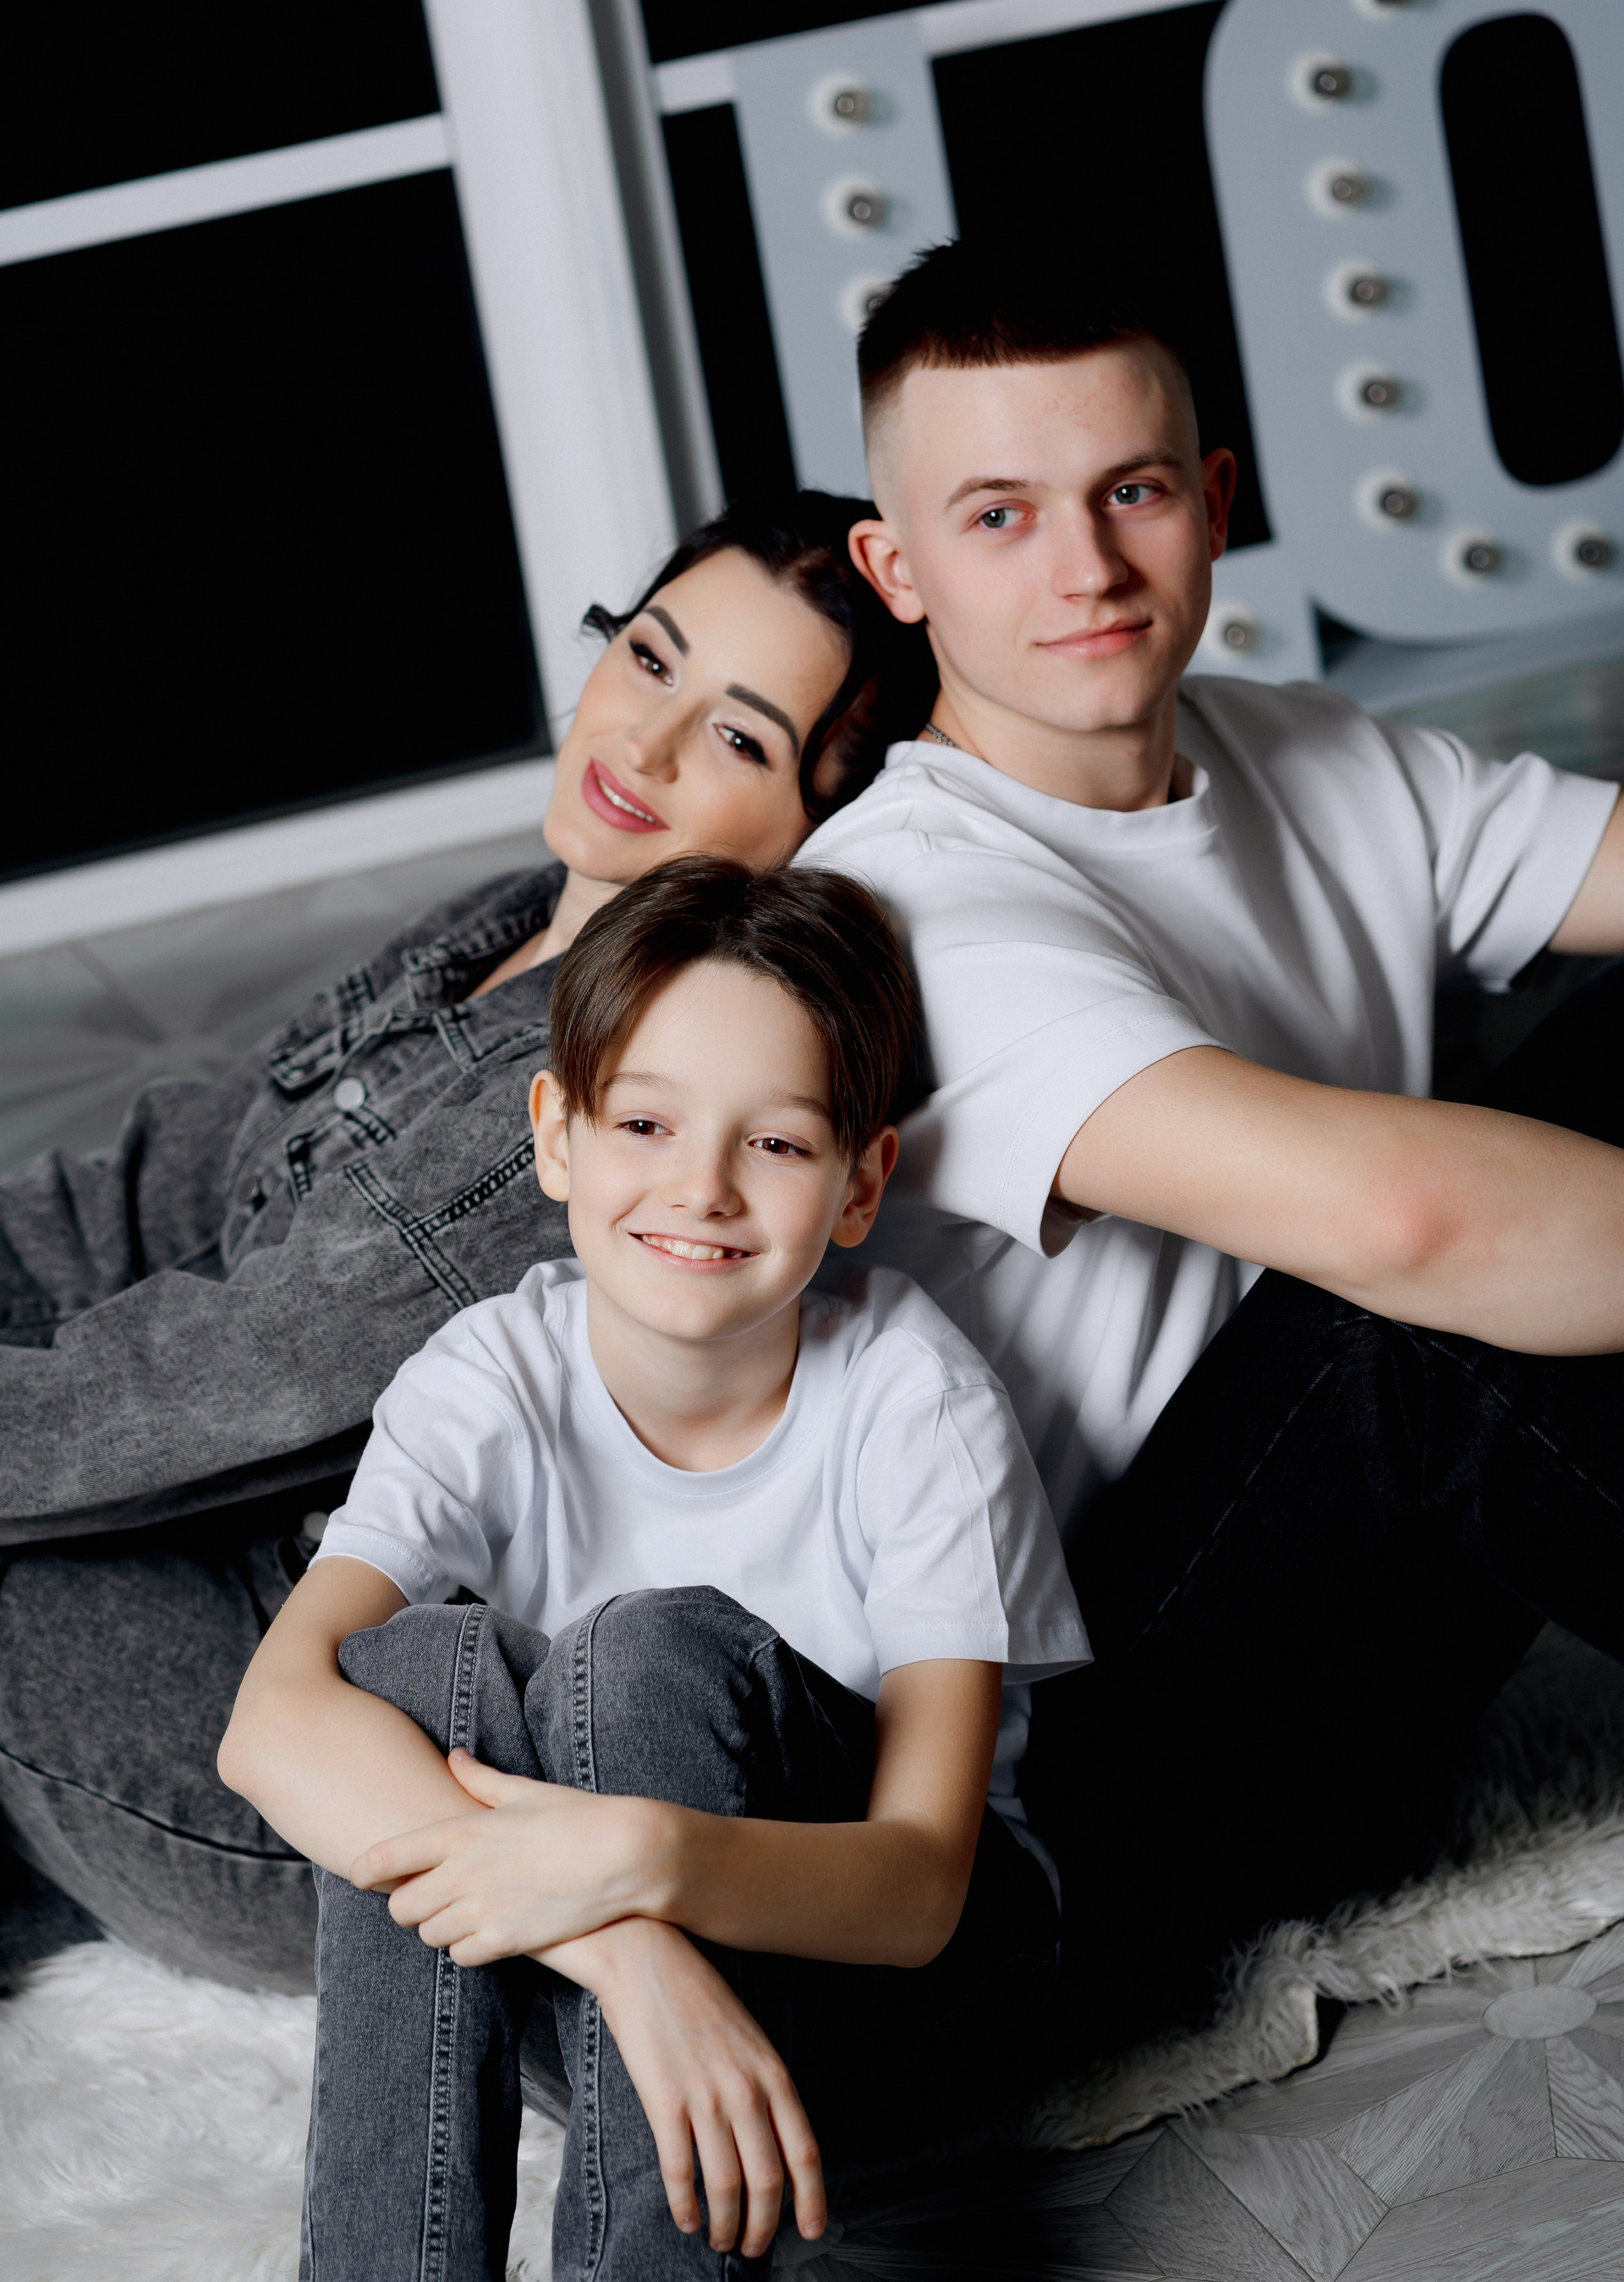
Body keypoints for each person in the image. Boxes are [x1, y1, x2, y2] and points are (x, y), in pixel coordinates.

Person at [798, 239, 1624, 2042]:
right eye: (999, 516)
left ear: (1217, 501)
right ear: (898, 569)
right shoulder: (898, 907)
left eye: (1134, 491)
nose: (1087, 567)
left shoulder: (1301, 751)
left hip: (1352, 1611)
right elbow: (1407, 1223)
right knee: (1408, 1324)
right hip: (1096, 1770)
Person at [0, 493, 936, 1994]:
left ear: (817, 831)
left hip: (316, 1749)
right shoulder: (519, 917)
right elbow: (159, 1177)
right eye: (650, 658)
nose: (642, 743)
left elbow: (186, 1394)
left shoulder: (586, 1117)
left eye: (739, 738)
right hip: (179, 1541)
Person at [217, 858, 1088, 2279]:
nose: (702, 1187)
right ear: (556, 1135)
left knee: (649, 1652)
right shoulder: (490, 1374)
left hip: (899, 1995)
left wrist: (644, 1857)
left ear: (861, 1183)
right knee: (403, 1667)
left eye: (779, 1143)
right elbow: (272, 1722)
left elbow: (926, 1886)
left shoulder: (912, 1399)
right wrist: (637, 1948)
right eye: (643, 1122)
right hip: (620, 2005)